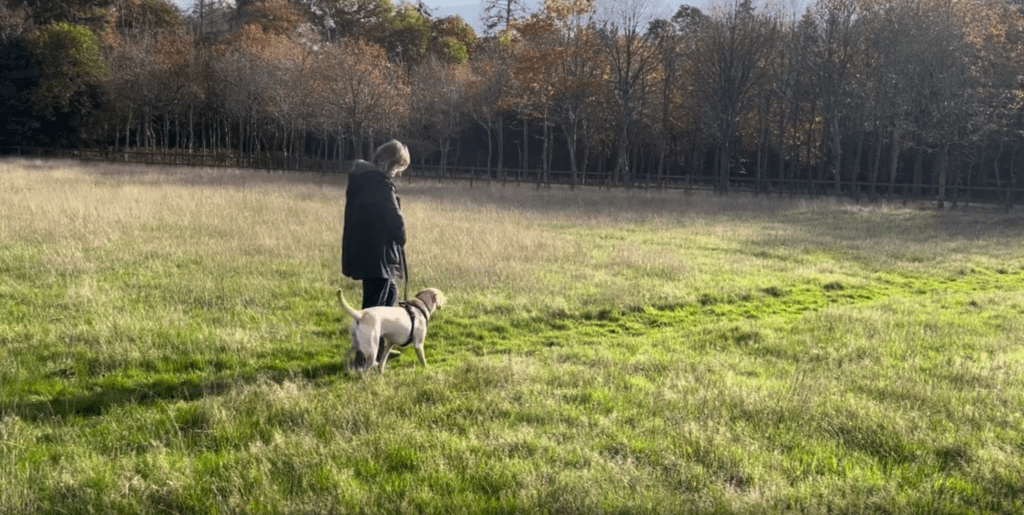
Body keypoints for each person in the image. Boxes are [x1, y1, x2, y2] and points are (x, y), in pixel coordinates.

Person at [342, 139, 411, 315]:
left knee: (388, 297)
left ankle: (376, 340)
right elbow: (394, 219)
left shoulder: (363, 180)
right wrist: (401, 238)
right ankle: (368, 341)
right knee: (375, 308)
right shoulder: (379, 184)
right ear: (391, 164)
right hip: (378, 255)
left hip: (367, 252)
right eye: (398, 168)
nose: (398, 174)